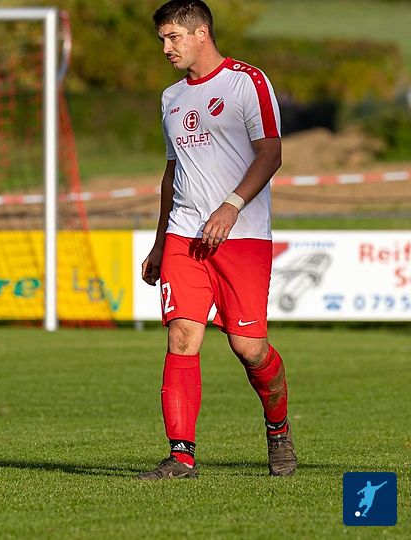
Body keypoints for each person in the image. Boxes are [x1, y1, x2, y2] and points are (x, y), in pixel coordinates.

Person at [137, 0, 295, 480]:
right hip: (184, 235)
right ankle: (181, 456)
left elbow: (271, 154)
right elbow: (172, 175)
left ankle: (278, 428)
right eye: (162, 40)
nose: (166, 48)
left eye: (173, 37)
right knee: (182, 337)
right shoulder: (170, 98)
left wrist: (232, 205)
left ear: (201, 33)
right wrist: (160, 242)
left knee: (249, 348)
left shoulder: (247, 81)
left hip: (242, 237)